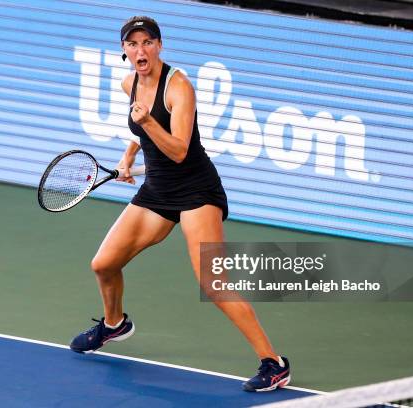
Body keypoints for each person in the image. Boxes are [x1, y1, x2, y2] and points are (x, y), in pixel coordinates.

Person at [69, 16, 290, 392]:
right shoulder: (130, 82)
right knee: (104, 264)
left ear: (159, 45)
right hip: (157, 190)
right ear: (124, 50)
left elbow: (178, 149)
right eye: (133, 44)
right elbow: (138, 130)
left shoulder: (179, 87)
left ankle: (274, 363)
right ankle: (114, 324)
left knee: (214, 284)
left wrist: (149, 124)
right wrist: (127, 157)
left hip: (196, 192)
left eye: (148, 42)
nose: (141, 50)